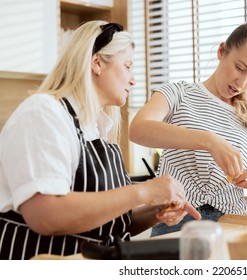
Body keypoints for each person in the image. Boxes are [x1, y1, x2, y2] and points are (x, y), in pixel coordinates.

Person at [0, 20, 200, 260]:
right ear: (97, 63)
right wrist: (144, 192)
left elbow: (109, 226)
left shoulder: (98, 129)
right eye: (127, 66)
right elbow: (46, 216)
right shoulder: (43, 112)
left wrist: (154, 210)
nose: (133, 80)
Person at [129, 20, 247, 237]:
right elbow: (138, 129)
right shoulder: (179, 93)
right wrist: (209, 141)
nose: (242, 82)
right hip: (176, 222)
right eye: (240, 67)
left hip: (233, 225)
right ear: (221, 51)